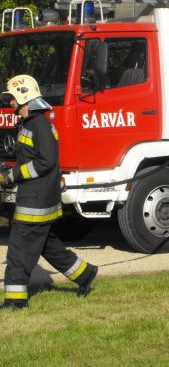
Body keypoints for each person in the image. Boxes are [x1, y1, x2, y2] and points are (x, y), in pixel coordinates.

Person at [0, 75, 97, 309]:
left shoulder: (39, 125)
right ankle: (84, 274)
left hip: (36, 201)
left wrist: (14, 175)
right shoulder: (30, 124)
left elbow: (46, 162)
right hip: (37, 197)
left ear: (23, 97)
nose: (10, 103)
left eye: (12, 98)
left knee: (19, 249)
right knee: (46, 246)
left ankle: (15, 301)